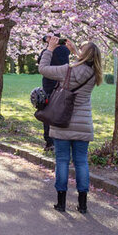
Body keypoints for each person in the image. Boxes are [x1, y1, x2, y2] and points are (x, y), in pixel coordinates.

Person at [39, 35, 101, 213]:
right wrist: (75, 52)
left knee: (62, 161)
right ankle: (82, 205)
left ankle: (61, 203)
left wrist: (50, 49)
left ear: (85, 54)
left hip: (62, 123)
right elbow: (82, 67)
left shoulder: (67, 70)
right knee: (81, 162)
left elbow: (43, 69)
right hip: (83, 124)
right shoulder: (94, 73)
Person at [38, 36, 70, 152]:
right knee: (61, 112)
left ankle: (49, 142)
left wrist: (49, 47)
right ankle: (60, 141)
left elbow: (40, 62)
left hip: (49, 85)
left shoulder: (47, 51)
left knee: (47, 112)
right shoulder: (66, 50)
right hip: (63, 84)